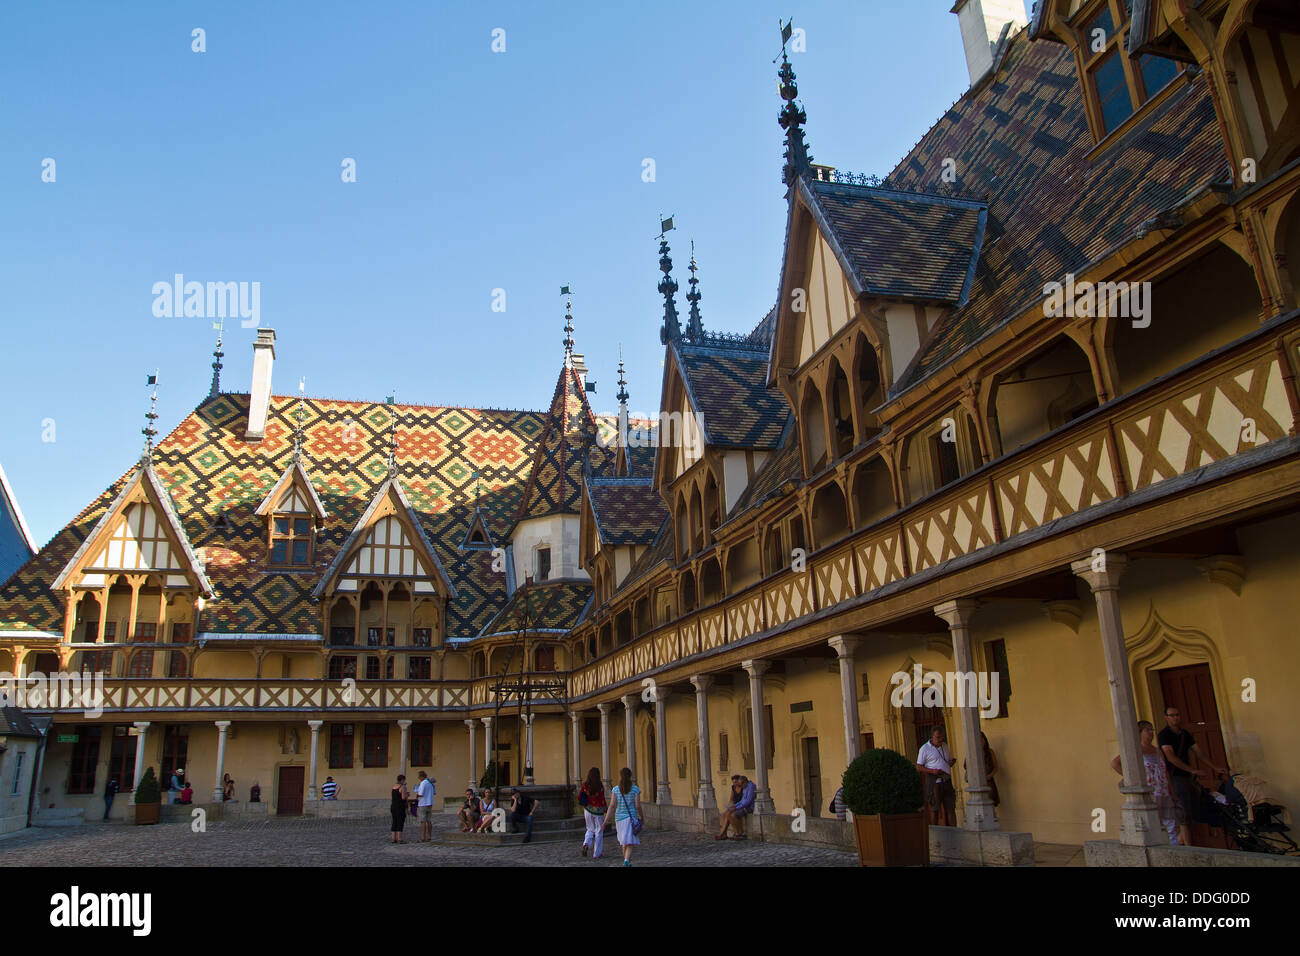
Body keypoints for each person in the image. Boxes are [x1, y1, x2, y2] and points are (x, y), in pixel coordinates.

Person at [1158, 706, 1224, 846]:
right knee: (1183, 815)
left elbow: (1199, 752)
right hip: (1175, 777)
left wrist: (1214, 767)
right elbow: (1170, 757)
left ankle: (1179, 844)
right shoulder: (1164, 735)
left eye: (1177, 714)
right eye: (1172, 715)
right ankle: (1187, 848)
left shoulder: (1185, 734)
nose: (1176, 717)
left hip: (1187, 778)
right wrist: (1192, 770)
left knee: (1193, 812)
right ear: (1166, 718)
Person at [1112, 720, 1178, 845]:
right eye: (1147, 730)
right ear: (1140, 733)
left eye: (1152, 730)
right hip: (1150, 793)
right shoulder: (1136, 750)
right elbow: (1115, 763)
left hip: (1163, 792)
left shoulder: (1157, 751)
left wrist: (1172, 792)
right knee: (1152, 825)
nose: (1151, 733)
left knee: (1170, 825)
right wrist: (1132, 779)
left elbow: (1165, 773)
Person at [917, 727, 956, 826]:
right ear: (932, 737)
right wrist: (932, 771)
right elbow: (919, 767)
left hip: (946, 780)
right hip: (934, 782)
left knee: (950, 808)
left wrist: (951, 762)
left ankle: (954, 831)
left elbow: (948, 761)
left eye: (941, 737)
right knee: (935, 809)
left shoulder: (945, 746)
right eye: (938, 737)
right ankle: (935, 833)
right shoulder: (924, 749)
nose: (940, 740)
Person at [603, 766, 641, 866]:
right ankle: (626, 861)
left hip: (619, 818)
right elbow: (637, 806)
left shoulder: (615, 789)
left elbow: (611, 806)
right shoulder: (635, 789)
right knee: (630, 842)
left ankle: (626, 861)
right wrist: (642, 816)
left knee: (624, 841)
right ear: (630, 776)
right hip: (631, 818)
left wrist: (605, 821)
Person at [962, 731, 1000, 809]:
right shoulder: (972, 752)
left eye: (982, 739)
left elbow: (996, 767)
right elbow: (966, 766)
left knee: (991, 802)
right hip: (977, 781)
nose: (981, 741)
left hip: (988, 781)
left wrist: (989, 776)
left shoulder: (990, 752)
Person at [578, 767, 606, 858]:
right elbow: (602, 798)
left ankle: (586, 844)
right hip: (598, 811)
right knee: (599, 831)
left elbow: (579, 796)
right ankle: (597, 853)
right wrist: (605, 808)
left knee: (590, 829)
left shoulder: (585, 785)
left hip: (588, 810)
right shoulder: (600, 785)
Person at [715, 775, 751, 840]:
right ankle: (725, 833)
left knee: (729, 814)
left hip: (740, 806)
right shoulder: (733, 788)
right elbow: (731, 800)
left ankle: (724, 833)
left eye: (736, 782)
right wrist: (730, 806)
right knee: (724, 814)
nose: (735, 784)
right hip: (736, 805)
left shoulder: (743, 787)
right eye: (733, 782)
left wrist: (735, 807)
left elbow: (744, 801)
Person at [415, 771, 436, 842]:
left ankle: (422, 837)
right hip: (430, 803)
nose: (418, 778)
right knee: (429, 821)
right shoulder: (431, 783)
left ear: (421, 776)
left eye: (418, 777)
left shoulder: (423, 783)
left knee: (423, 821)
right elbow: (434, 793)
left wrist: (417, 794)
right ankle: (429, 836)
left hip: (423, 803)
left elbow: (421, 794)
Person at [390, 774, 409, 844]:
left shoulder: (394, 787)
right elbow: (403, 798)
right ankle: (399, 838)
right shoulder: (402, 787)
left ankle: (393, 838)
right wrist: (407, 794)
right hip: (400, 807)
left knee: (394, 822)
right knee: (400, 822)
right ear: (402, 780)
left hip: (393, 806)